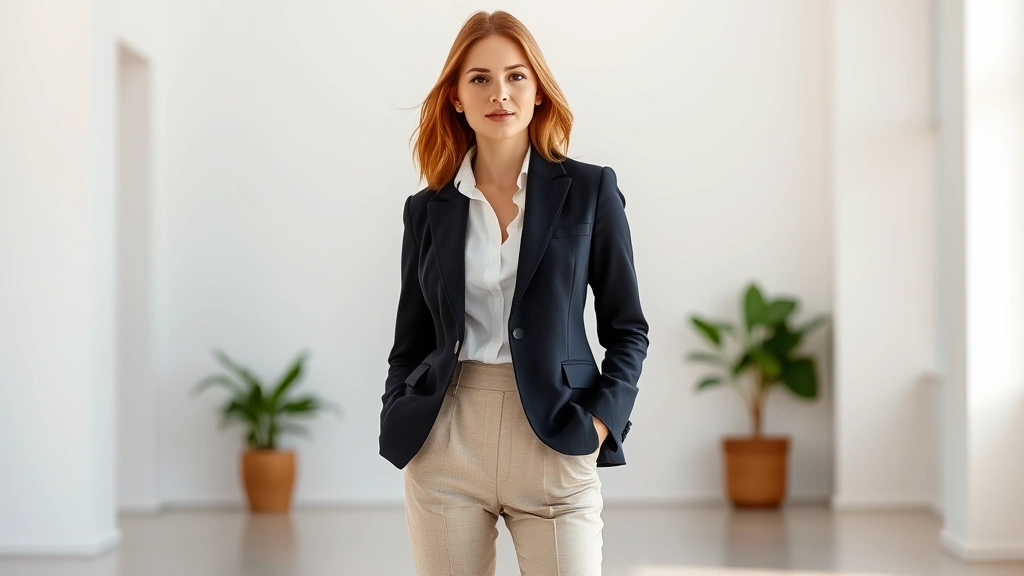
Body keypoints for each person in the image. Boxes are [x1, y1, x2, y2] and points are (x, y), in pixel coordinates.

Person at [379, 10, 649, 576]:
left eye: (516, 76)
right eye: (479, 78)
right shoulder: (426, 211)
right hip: (447, 440)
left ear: (538, 91)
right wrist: (397, 410)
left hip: (556, 433)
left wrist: (601, 421)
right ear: (455, 96)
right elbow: (411, 338)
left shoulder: (591, 190)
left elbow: (628, 328)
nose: (499, 92)